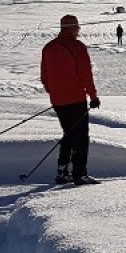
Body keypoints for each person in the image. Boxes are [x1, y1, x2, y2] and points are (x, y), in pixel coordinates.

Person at [40, 14, 101, 185]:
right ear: (74, 28)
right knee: (81, 138)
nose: (79, 31)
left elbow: (44, 77)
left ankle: (62, 171)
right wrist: (93, 96)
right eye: (78, 28)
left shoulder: (48, 48)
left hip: (58, 101)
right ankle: (79, 174)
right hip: (76, 100)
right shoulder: (77, 47)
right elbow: (85, 75)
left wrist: (55, 93)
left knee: (68, 134)